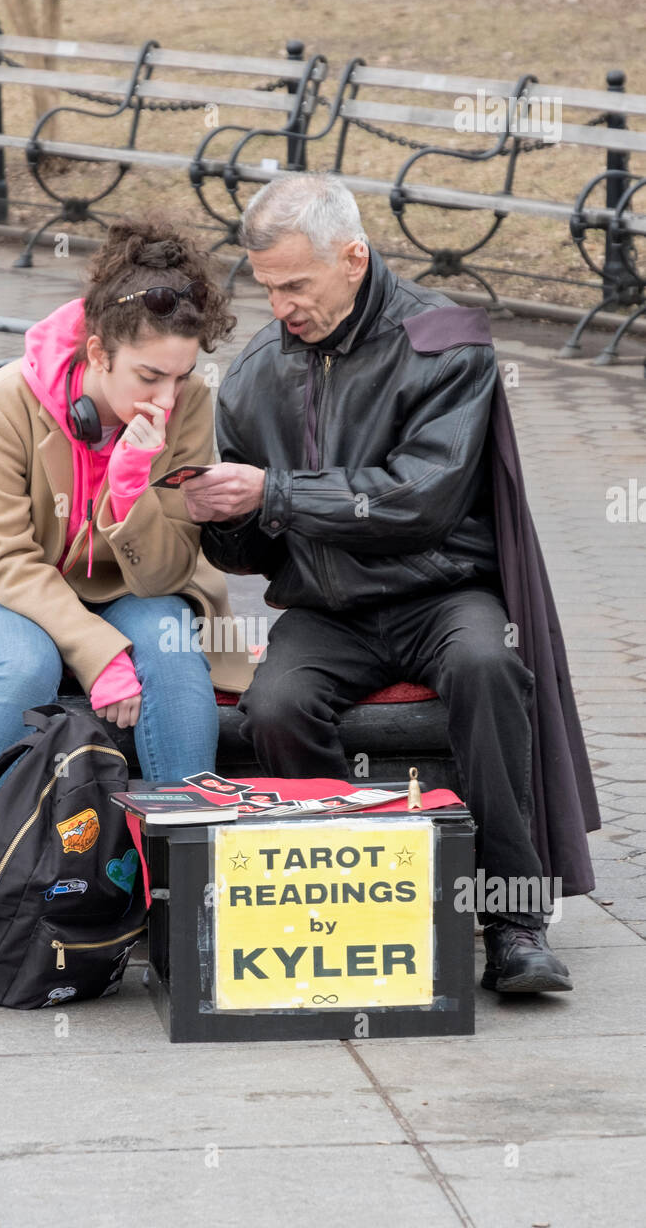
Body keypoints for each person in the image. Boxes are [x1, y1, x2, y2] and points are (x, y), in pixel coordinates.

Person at [182, 171, 601, 997]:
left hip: (442, 592)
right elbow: (243, 558)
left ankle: (512, 922)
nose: (280, 306)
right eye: (267, 286)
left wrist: (275, 493)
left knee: (488, 668)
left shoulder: (445, 340)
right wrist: (215, 513)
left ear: (354, 256)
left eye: (296, 284)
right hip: (326, 609)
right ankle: (347, 902)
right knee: (274, 706)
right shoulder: (255, 370)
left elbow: (422, 500)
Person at [0, 217, 251, 992]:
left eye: (181, 376)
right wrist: (97, 653)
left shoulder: (186, 408)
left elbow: (166, 569)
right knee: (23, 668)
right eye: (149, 377)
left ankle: (193, 895)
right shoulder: (4, 402)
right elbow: (8, 560)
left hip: (135, 587)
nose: (168, 394)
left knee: (172, 648)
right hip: (6, 592)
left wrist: (128, 494)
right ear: (96, 353)